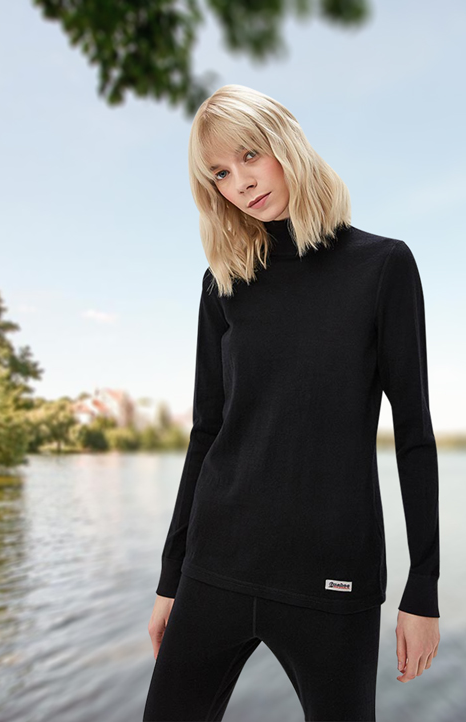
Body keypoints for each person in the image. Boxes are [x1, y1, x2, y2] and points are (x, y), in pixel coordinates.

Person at [143, 84, 441, 722]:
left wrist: (423, 587)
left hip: (332, 579)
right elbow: (207, 432)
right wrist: (172, 578)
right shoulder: (224, 283)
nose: (241, 183)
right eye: (220, 173)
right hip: (214, 567)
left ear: (286, 144)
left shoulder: (383, 266)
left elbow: (415, 434)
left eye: (249, 155)